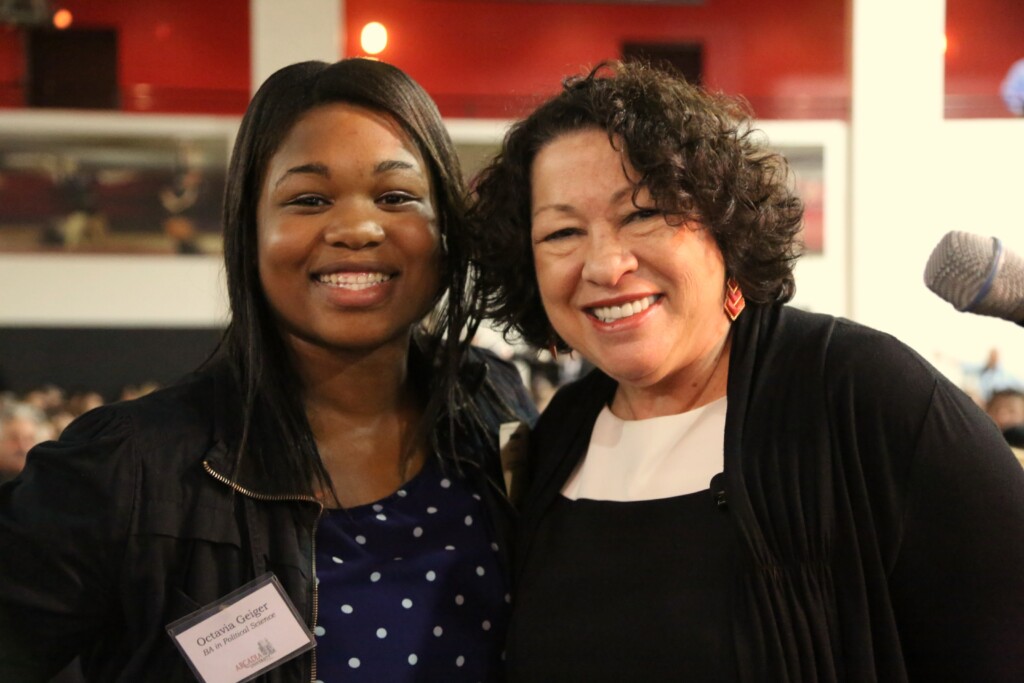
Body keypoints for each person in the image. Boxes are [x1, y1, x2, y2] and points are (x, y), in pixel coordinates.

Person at [468, 61, 1024, 682]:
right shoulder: (557, 438)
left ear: (723, 225)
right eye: (562, 232)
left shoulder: (860, 392)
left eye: (644, 212)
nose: (605, 264)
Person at [0, 58, 535, 682]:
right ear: (249, 230)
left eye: (396, 197)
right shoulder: (128, 469)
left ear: (444, 225)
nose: (358, 228)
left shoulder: (489, 401)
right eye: (309, 199)